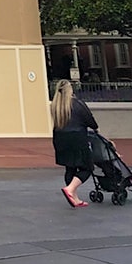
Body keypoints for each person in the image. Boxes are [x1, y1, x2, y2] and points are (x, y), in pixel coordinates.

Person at [51, 78, 98, 208]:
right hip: (77, 139)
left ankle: (74, 198)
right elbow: (92, 122)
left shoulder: (56, 106)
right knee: (87, 167)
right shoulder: (77, 104)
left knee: (70, 167)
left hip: (60, 140)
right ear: (70, 90)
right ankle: (70, 189)